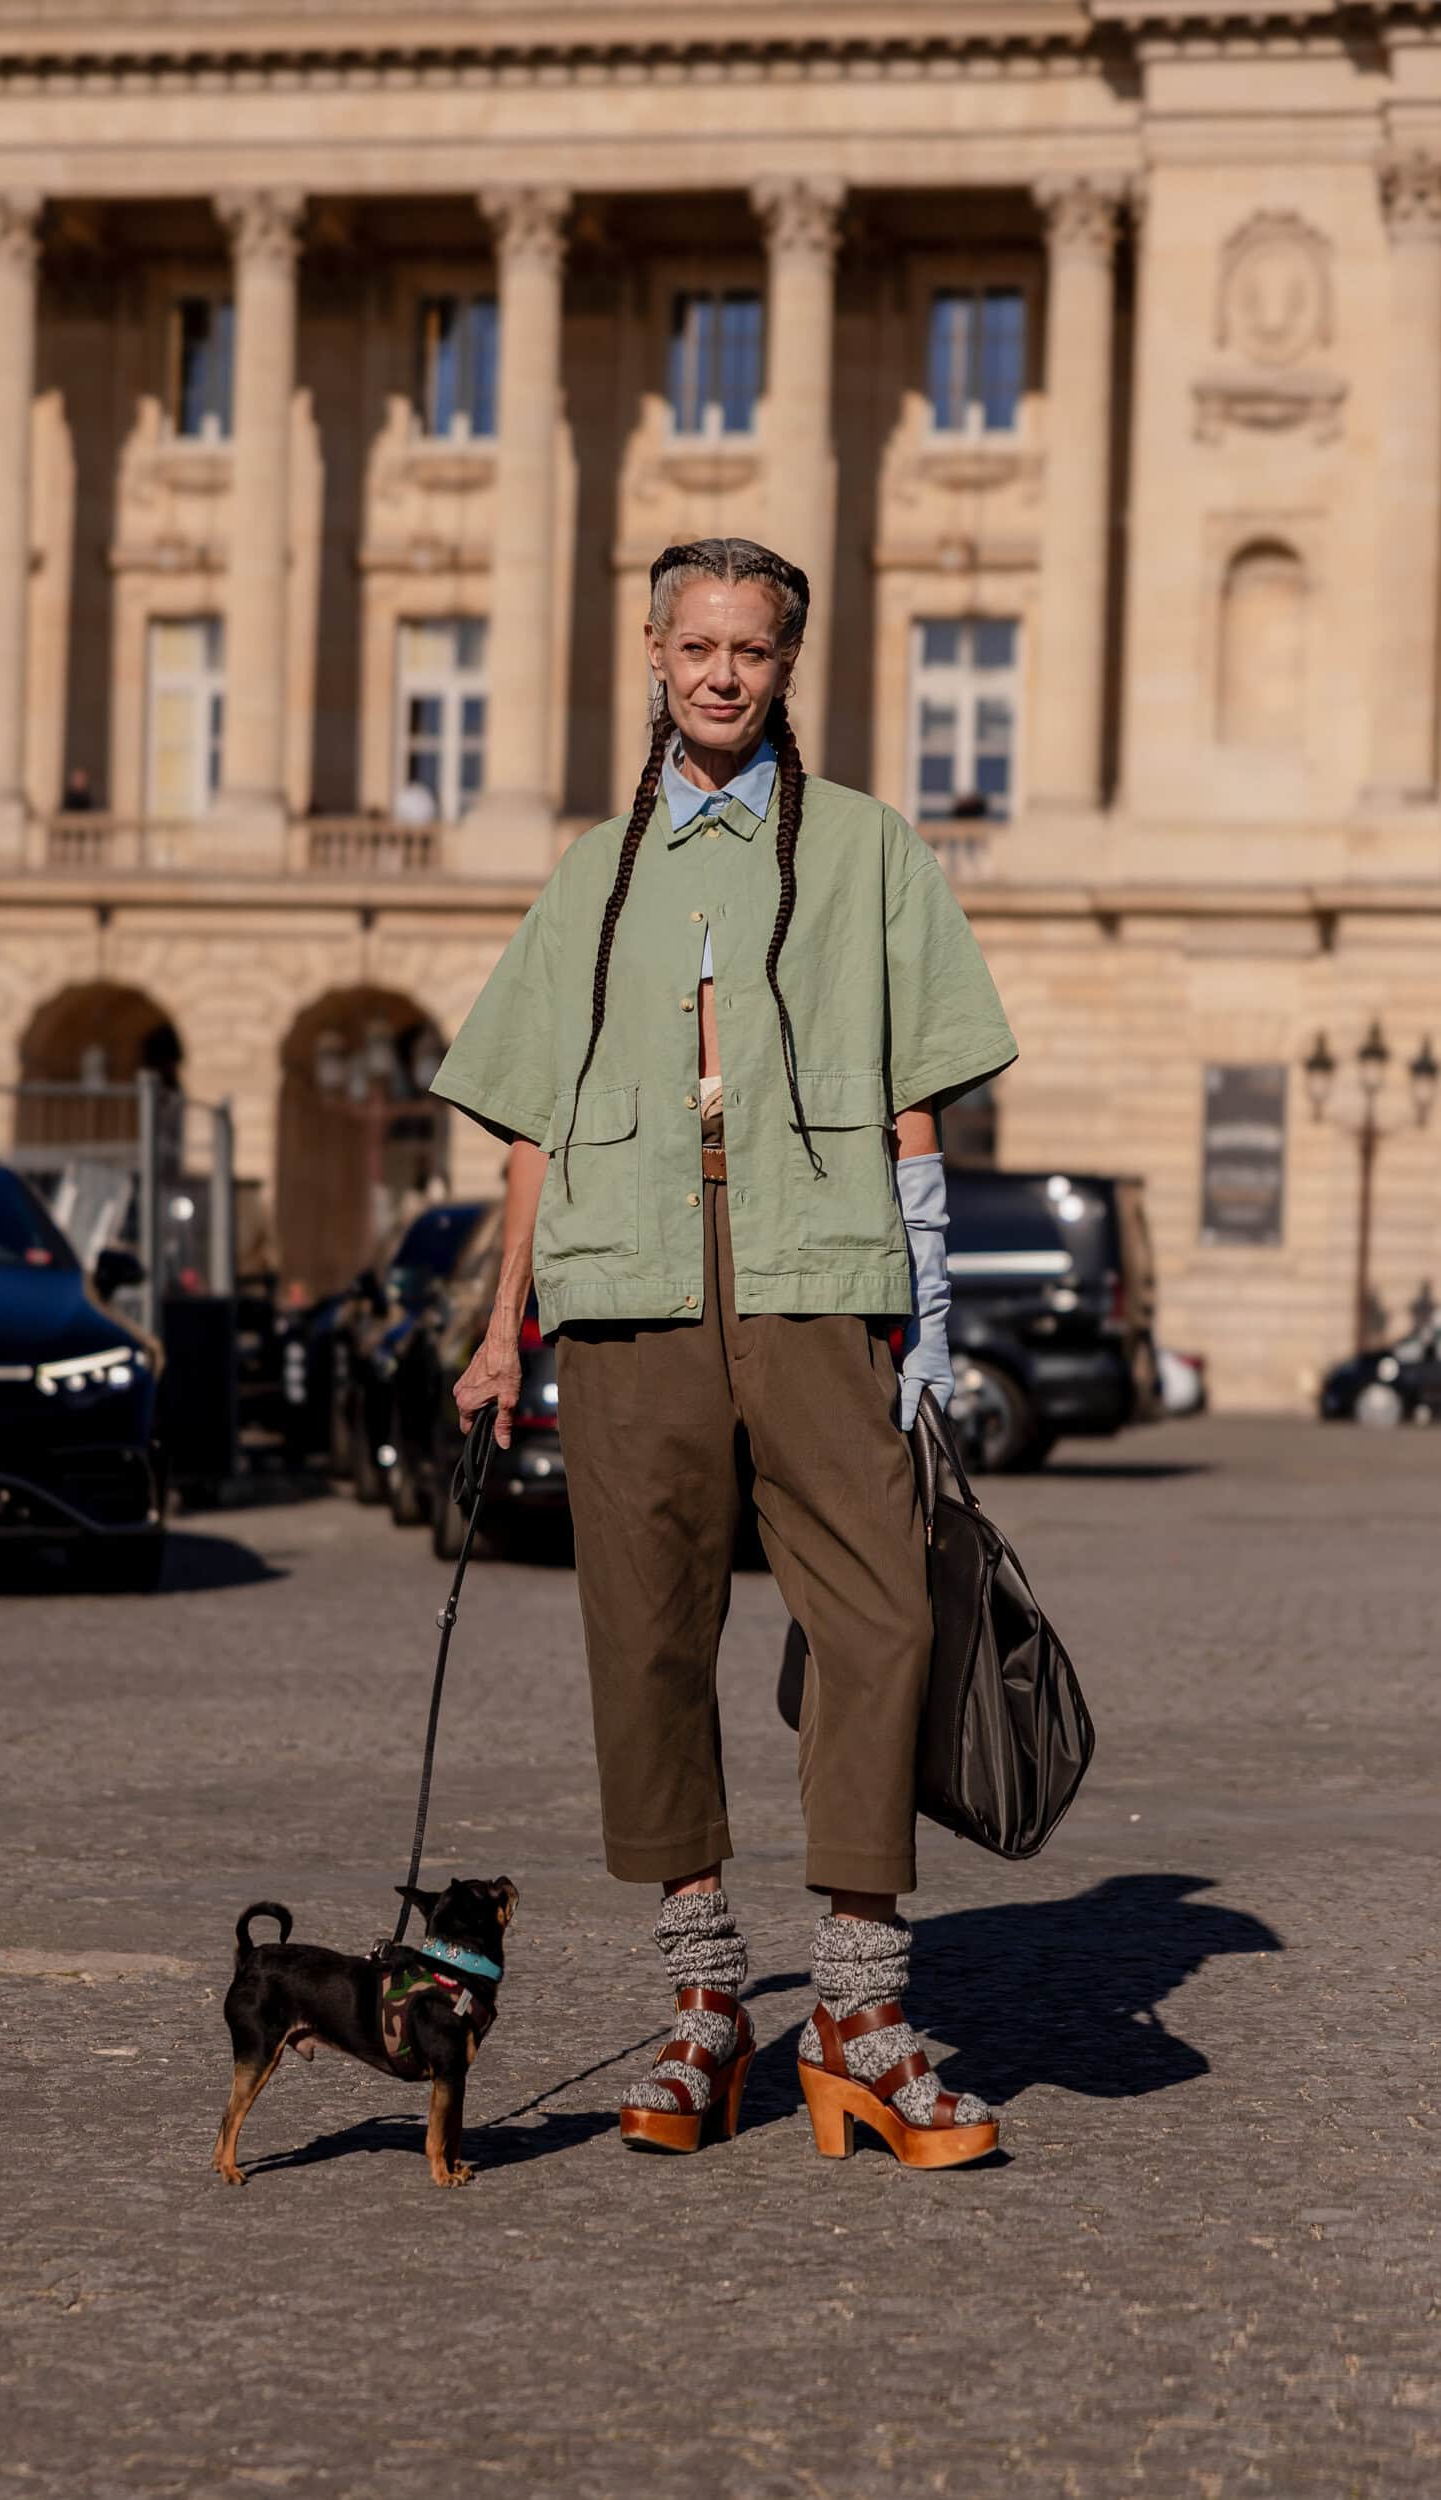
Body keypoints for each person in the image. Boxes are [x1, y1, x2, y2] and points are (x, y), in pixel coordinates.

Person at [430, 538, 1019, 2169]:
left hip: (819, 1276)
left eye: (750, 649)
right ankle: (705, 2006)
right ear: (650, 651)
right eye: (695, 644)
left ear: (784, 665)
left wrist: (934, 1288)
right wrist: (501, 1325)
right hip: (626, 1291)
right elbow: (534, 1121)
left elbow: (917, 1094)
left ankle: (859, 2007)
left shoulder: (867, 852)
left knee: (883, 1619)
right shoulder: (585, 873)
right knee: (647, 1633)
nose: (720, 673)